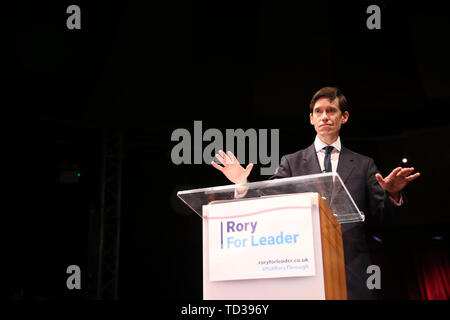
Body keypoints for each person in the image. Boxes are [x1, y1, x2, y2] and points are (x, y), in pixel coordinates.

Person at [211, 86, 420, 299]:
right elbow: (268, 204)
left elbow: (385, 215)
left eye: (331, 111)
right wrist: (242, 183)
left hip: (353, 272)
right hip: (302, 269)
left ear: (344, 117)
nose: (324, 117)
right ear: (311, 118)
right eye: (318, 112)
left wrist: (393, 195)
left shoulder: (363, 165)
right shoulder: (291, 163)